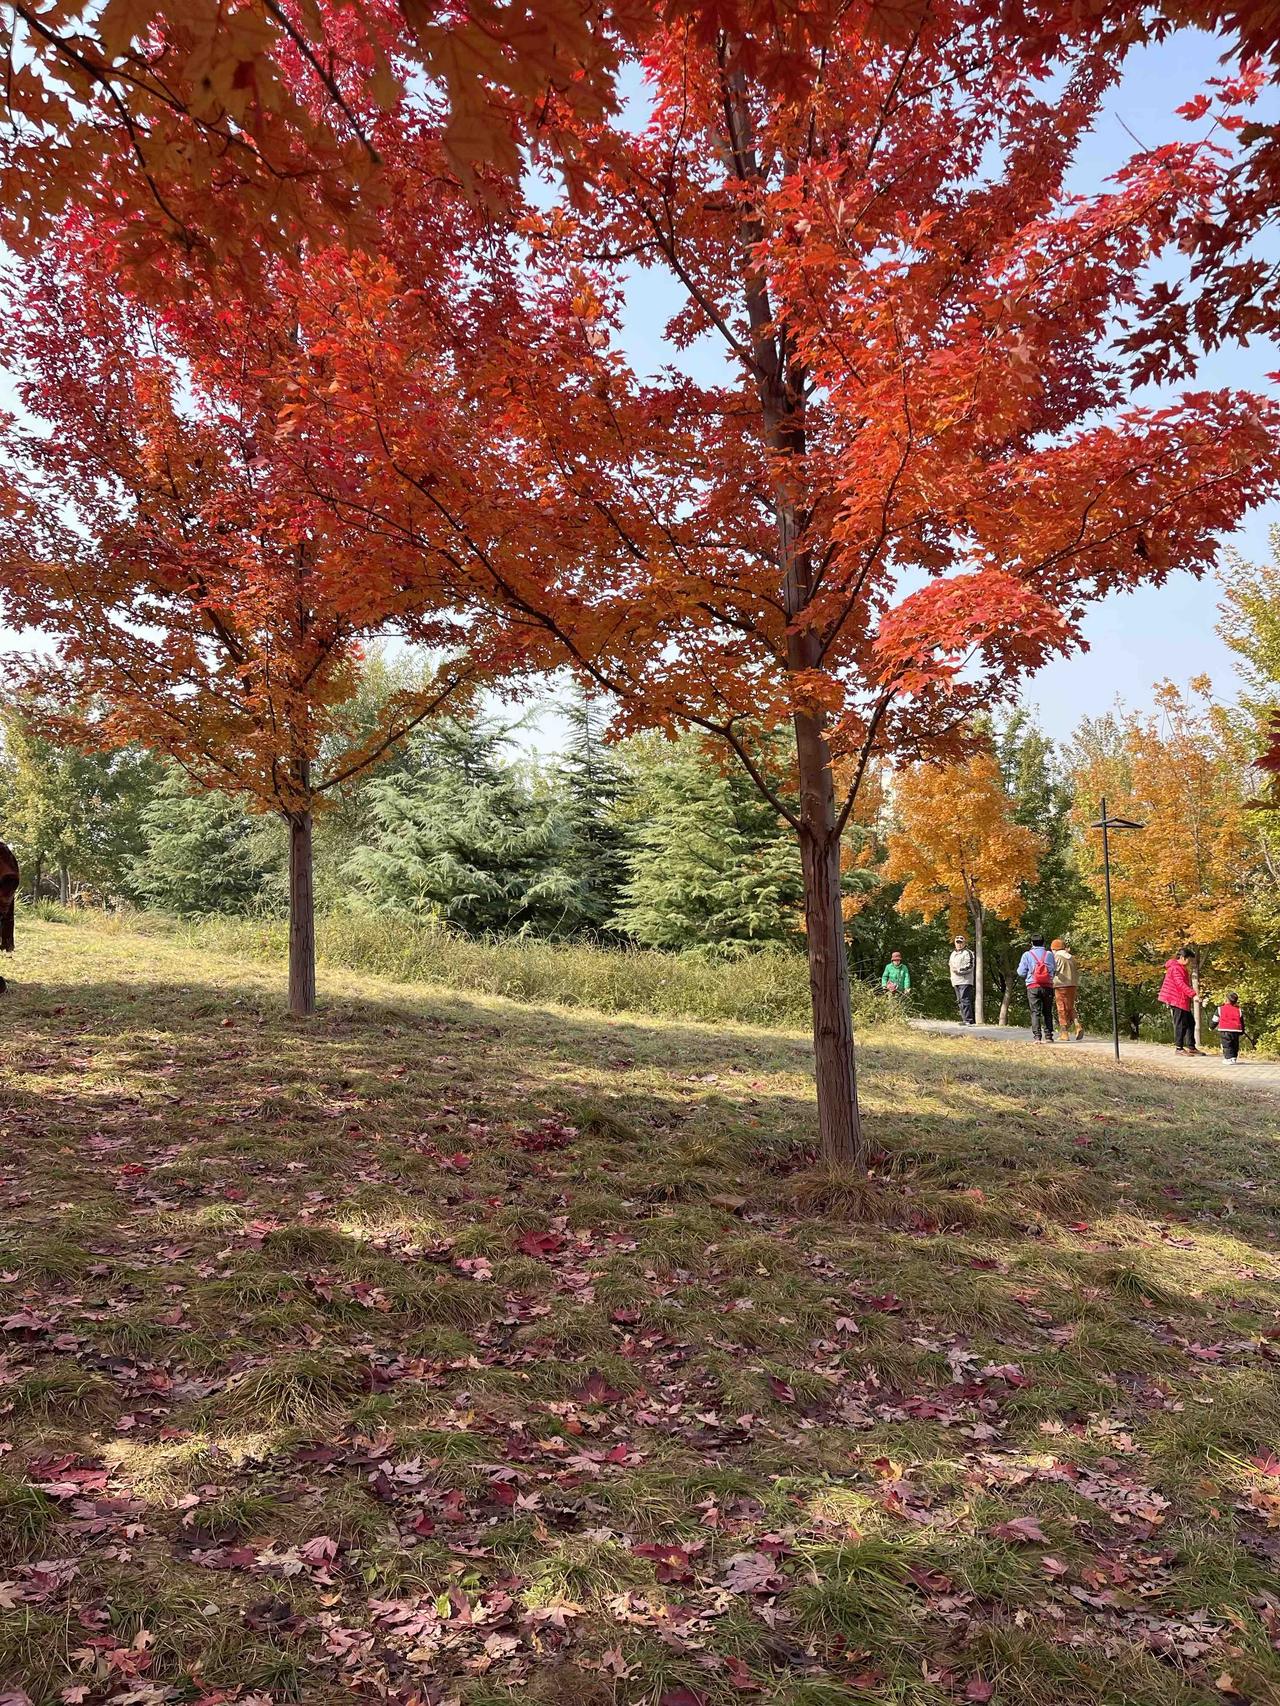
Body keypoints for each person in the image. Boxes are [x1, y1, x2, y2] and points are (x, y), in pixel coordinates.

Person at [1158, 947, 1199, 1056]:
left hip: (1182, 999)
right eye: (1188, 960)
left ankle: (1191, 1047)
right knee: (1181, 1024)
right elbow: (1180, 984)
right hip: (1176, 999)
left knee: (1191, 1023)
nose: (1189, 963)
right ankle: (1179, 1048)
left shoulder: (1181, 967)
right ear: (1182, 957)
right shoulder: (1175, 968)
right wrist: (1193, 994)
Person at [1016, 935, 1057, 1042]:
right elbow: (1054, 969)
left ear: (1031, 943)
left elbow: (1021, 972)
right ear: (1043, 942)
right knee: (1047, 1011)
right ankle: (1049, 1036)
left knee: (1035, 1011)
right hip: (1047, 986)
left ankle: (1037, 1037)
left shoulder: (1027, 955)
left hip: (1032, 986)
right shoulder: (1049, 954)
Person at [1050, 937, 1084, 1041]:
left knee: (1061, 1008)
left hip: (1061, 985)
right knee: (1070, 1007)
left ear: (1055, 949)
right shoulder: (1071, 957)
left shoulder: (1057, 957)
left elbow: (1052, 970)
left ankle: (1064, 1033)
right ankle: (1078, 1025)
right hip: (1073, 985)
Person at [948, 934, 976, 1024]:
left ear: (964, 943)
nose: (959, 944)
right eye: (957, 942)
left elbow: (970, 966)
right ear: (955, 943)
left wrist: (959, 970)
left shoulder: (968, 953)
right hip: (955, 980)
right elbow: (950, 965)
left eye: (961, 942)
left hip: (965, 980)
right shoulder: (953, 954)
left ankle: (969, 1020)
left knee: (965, 999)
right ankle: (964, 1019)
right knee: (959, 1000)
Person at [1211, 991, 1245, 1063]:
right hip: (1236, 1030)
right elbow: (1242, 1021)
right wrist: (1242, 1030)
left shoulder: (1220, 1009)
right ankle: (1234, 1057)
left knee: (1226, 1044)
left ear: (1226, 1000)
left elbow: (1215, 1019)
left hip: (1225, 1029)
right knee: (1235, 1044)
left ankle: (1228, 1058)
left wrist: (1211, 1027)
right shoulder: (1238, 1010)